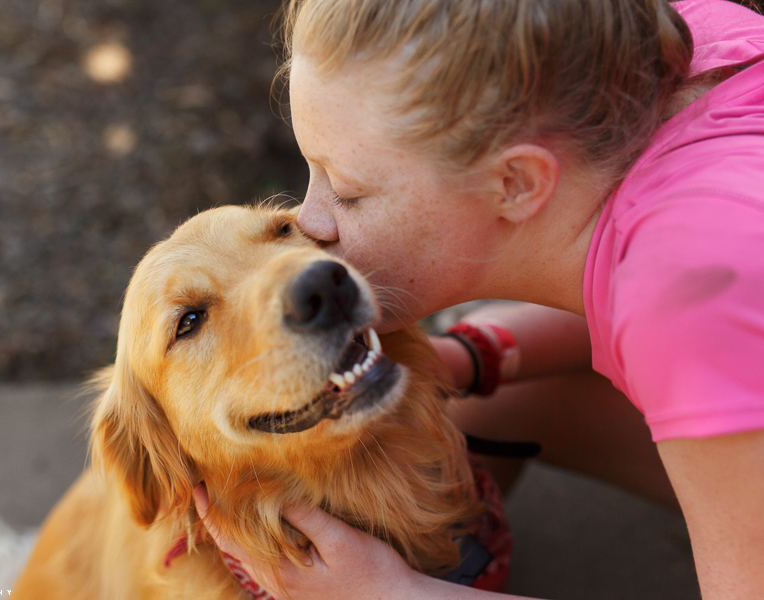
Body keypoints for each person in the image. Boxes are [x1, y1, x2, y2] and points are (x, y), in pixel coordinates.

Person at [194, 0, 764, 598]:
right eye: (311, 169)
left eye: (349, 192)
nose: (310, 221)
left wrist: (394, 593)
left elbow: (693, 325)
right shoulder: (642, 44)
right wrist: (473, 355)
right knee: (486, 409)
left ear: (515, 183)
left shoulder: (687, 289)